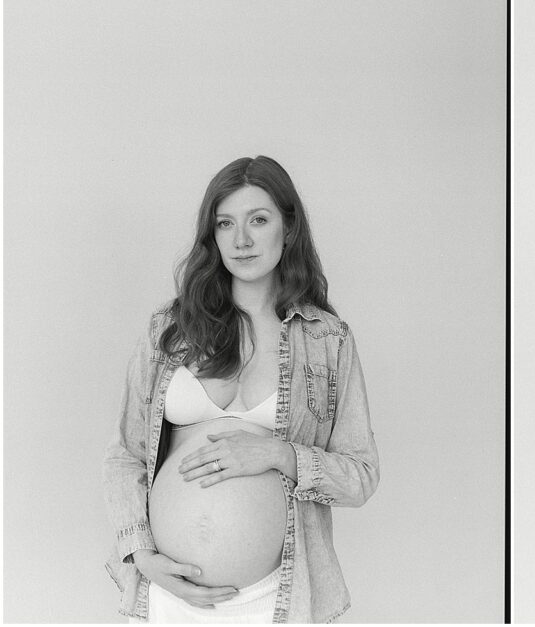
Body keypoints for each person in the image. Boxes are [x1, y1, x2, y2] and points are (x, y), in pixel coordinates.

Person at [102, 156, 379, 623]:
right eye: (225, 223)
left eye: (259, 220)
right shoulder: (170, 330)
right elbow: (125, 454)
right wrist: (141, 554)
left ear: (288, 229)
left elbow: (360, 476)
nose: (242, 239)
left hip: (276, 597)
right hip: (169, 592)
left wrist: (277, 454)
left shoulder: (327, 341)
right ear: (212, 236)